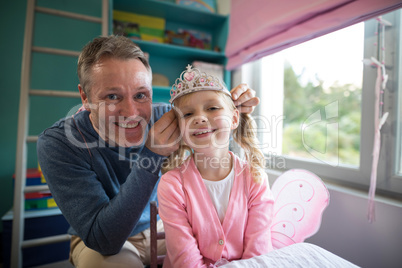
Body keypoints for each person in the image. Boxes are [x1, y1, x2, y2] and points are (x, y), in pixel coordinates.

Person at [36, 35, 260, 267]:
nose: (132, 112)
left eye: (141, 95)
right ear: (85, 96)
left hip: (167, 223)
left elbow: (211, 129)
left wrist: (229, 107)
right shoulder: (59, 143)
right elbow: (104, 240)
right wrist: (152, 155)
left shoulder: (166, 118)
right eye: (112, 97)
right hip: (104, 241)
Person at [157, 65, 274, 267]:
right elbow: (186, 260)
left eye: (212, 108)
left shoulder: (255, 178)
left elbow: (258, 252)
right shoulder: (172, 185)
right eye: (187, 114)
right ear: (179, 129)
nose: (200, 118)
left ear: (234, 118)